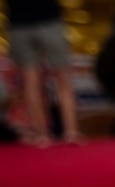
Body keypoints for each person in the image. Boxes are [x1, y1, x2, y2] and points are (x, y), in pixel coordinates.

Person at [5, 0, 80, 146]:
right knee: (63, 77)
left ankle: (41, 134)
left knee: (30, 80)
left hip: (19, 24)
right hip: (49, 20)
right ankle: (71, 132)